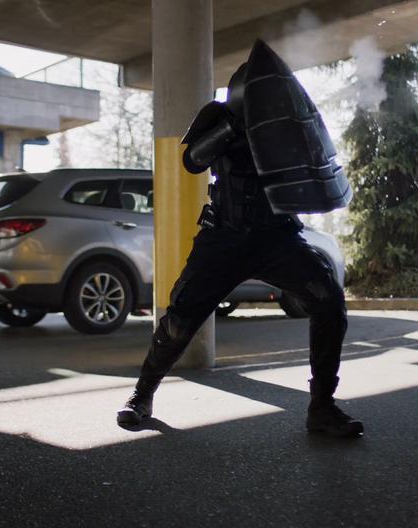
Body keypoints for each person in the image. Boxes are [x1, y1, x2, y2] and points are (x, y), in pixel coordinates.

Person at [117, 39, 362, 437]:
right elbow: (192, 160)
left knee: (328, 299)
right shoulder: (219, 117)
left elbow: (317, 164)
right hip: (224, 238)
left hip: (277, 236)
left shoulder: (284, 122)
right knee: (180, 321)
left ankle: (322, 408)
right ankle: (141, 395)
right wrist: (232, 126)